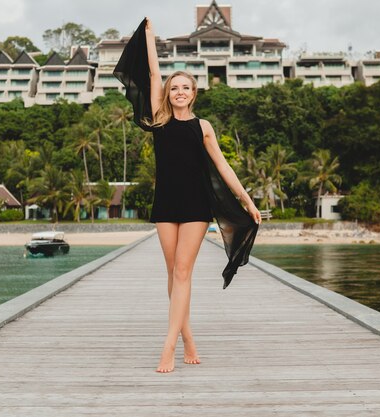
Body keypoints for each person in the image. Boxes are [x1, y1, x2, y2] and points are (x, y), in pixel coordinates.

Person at [140, 18, 261, 373]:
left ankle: (169, 345)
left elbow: (224, 167)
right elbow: (151, 74)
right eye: (174, 88)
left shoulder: (203, 127)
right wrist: (149, 36)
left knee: (182, 271)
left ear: (194, 94)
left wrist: (248, 202)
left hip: (195, 205)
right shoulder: (159, 119)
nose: (179, 92)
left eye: (185, 88)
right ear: (168, 93)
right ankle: (189, 335)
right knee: (171, 272)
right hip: (165, 204)